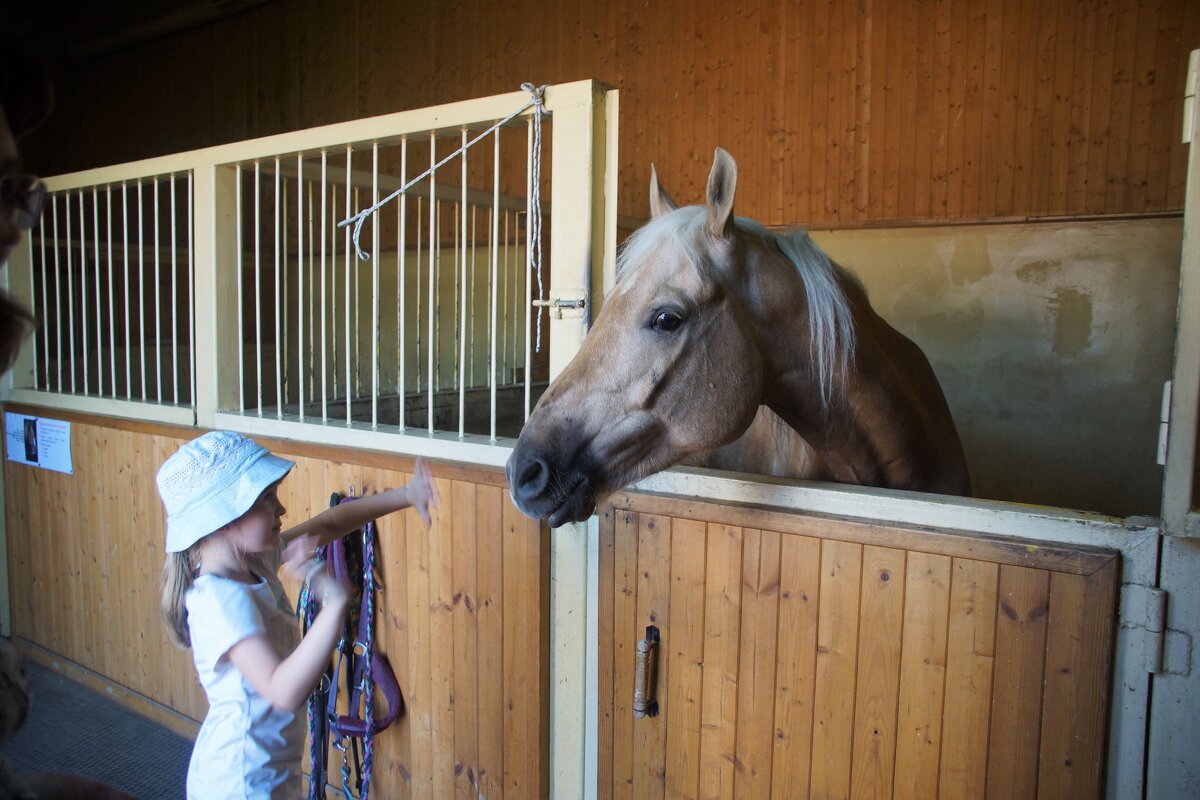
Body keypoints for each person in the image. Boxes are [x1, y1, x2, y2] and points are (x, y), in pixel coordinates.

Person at [157, 430, 439, 799]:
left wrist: (405, 495)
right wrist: (334, 604)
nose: (281, 509)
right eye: (266, 499)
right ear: (225, 517)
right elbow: (282, 690)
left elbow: (330, 524)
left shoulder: (251, 563)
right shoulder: (222, 600)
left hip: (265, 772)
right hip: (239, 784)